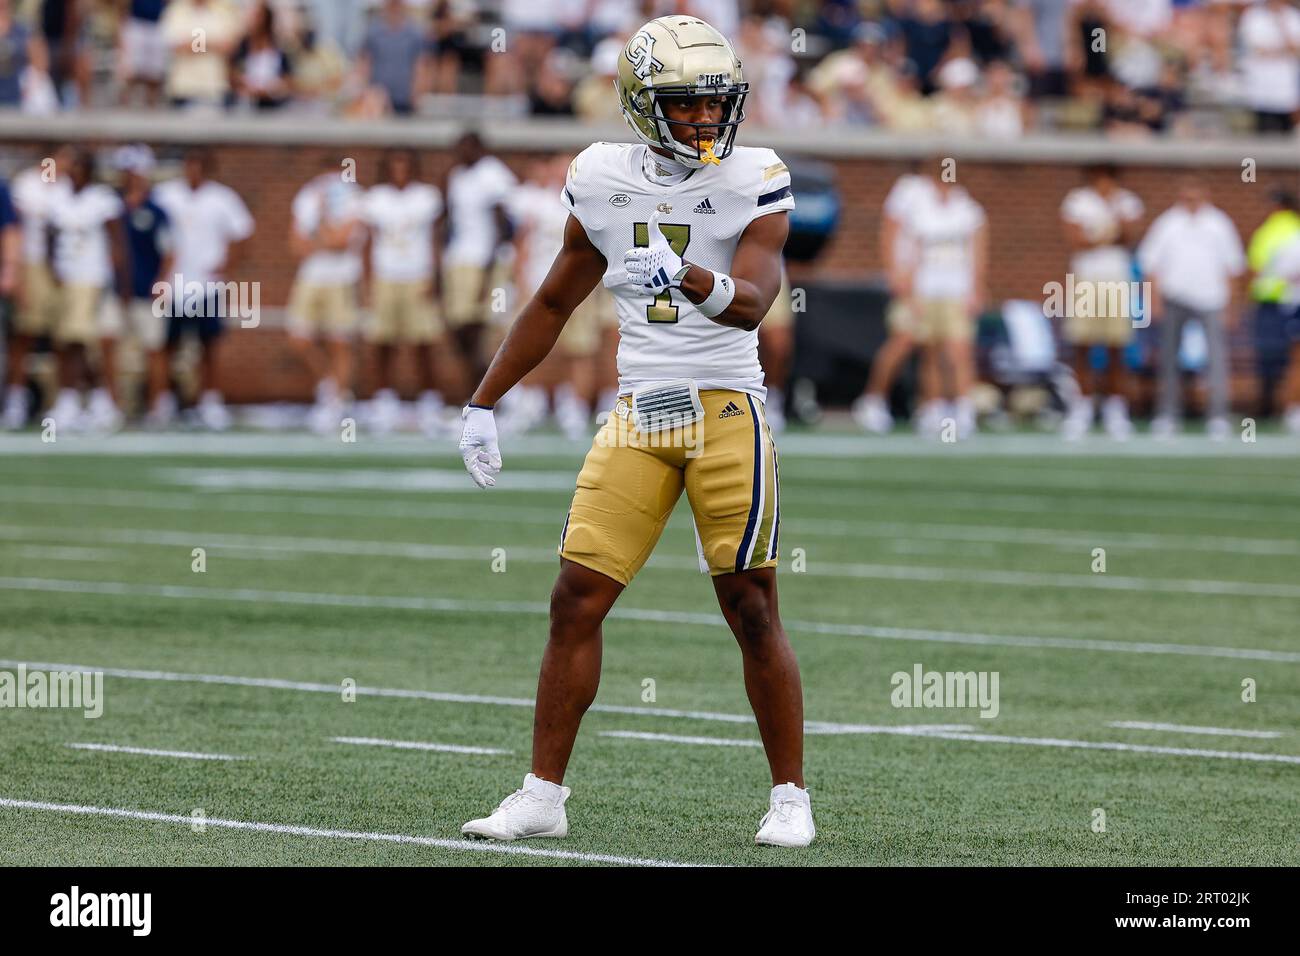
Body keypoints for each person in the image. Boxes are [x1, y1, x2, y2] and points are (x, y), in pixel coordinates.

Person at [457, 15, 814, 848]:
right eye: (687, 104)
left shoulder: (755, 175)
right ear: (641, 106)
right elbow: (553, 300)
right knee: (575, 598)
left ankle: (790, 796)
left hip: (727, 407)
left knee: (750, 604)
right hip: (642, 410)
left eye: (716, 102)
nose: (706, 118)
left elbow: (754, 303)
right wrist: (483, 401)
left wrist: (686, 274)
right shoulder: (599, 177)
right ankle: (543, 796)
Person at [153, 148, 254, 429]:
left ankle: (210, 402)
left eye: (199, 166)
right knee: (165, 345)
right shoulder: (165, 194)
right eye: (189, 166)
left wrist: (228, 266)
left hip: (207, 285)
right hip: (172, 284)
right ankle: (163, 402)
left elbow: (243, 233)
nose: (193, 172)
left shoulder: (222, 198)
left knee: (209, 346)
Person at [1137, 177, 1246, 440]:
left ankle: (1218, 415)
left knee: (1216, 358)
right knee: (1168, 358)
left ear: (1205, 196)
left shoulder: (1219, 224)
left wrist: (1232, 305)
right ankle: (1168, 414)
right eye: (1187, 196)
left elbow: (1233, 267)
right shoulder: (1167, 223)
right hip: (1174, 298)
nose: (1191, 202)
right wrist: (1153, 301)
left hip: (1212, 299)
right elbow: (1150, 264)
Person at [360, 148, 456, 436]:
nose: (399, 172)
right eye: (395, 166)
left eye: (404, 166)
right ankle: (384, 403)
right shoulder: (376, 198)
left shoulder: (426, 197)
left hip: (418, 277)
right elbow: (368, 242)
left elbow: (436, 239)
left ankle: (429, 403)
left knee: (423, 342)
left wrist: (435, 276)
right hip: (386, 277)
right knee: (382, 342)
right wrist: (368, 283)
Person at [1058, 164, 1145, 440]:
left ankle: (1115, 410)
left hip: (1117, 280)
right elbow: (1076, 240)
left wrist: (1100, 234)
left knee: (1116, 348)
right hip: (1086, 279)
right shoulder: (1077, 200)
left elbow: (1128, 236)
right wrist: (1107, 234)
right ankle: (1082, 408)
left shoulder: (1126, 201)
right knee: (1082, 347)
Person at [45, 149, 127, 433]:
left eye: (79, 166)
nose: (74, 171)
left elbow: (117, 243)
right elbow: (50, 236)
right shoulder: (58, 197)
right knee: (67, 342)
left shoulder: (102, 199)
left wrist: (121, 284)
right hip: (65, 280)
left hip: (92, 279)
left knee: (83, 343)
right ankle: (88, 401)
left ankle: (88, 401)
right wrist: (52, 268)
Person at [287, 158, 365, 434]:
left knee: (340, 342)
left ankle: (336, 403)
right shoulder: (307, 196)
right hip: (311, 277)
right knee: (298, 337)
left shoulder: (355, 197)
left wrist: (321, 224)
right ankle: (331, 387)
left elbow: (340, 241)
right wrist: (323, 238)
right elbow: (296, 245)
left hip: (342, 278)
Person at [440, 130, 516, 387]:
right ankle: (475, 387)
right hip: (460, 259)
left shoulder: (492, 173)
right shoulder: (457, 175)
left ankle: (487, 389)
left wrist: (489, 269)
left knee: (486, 327)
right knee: (459, 324)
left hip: (485, 260)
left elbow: (501, 225)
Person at [3, 145, 71, 430]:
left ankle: (62, 401)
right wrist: (16, 272)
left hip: (64, 270)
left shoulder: (66, 188)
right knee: (25, 333)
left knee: (64, 336)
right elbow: (15, 229)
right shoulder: (26, 185)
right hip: (32, 265)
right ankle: (16, 399)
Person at [113, 145, 174, 424]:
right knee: (112, 347)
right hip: (117, 291)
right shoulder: (113, 207)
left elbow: (169, 251)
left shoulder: (156, 211)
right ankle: (115, 406)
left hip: (148, 290)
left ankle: (157, 405)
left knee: (154, 348)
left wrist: (160, 282)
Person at [1246, 188, 1300, 420]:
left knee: (1273, 356)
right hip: (1289, 301)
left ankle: (1273, 406)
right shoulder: (1295, 227)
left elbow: (1255, 267)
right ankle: (1284, 407)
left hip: (1276, 301)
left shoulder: (1270, 231)